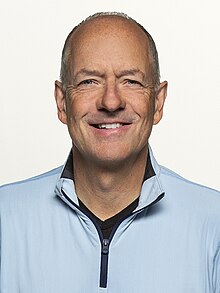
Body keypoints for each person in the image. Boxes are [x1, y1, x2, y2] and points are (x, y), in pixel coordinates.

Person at [0, 12, 219, 293]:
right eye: (89, 81)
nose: (111, 101)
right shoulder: (5, 220)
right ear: (62, 102)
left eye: (131, 81)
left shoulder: (214, 225)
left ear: (158, 101)